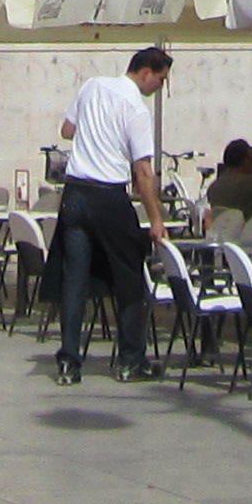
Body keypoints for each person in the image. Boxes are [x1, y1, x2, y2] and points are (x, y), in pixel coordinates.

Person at [47, 46, 170, 383]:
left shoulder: (92, 86)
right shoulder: (136, 108)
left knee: (74, 280)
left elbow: (67, 130)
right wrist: (156, 219)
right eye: (161, 80)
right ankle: (131, 359)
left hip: (75, 193)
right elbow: (143, 171)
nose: (160, 87)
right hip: (108, 195)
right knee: (129, 278)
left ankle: (69, 362)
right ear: (146, 72)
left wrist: (94, 132)